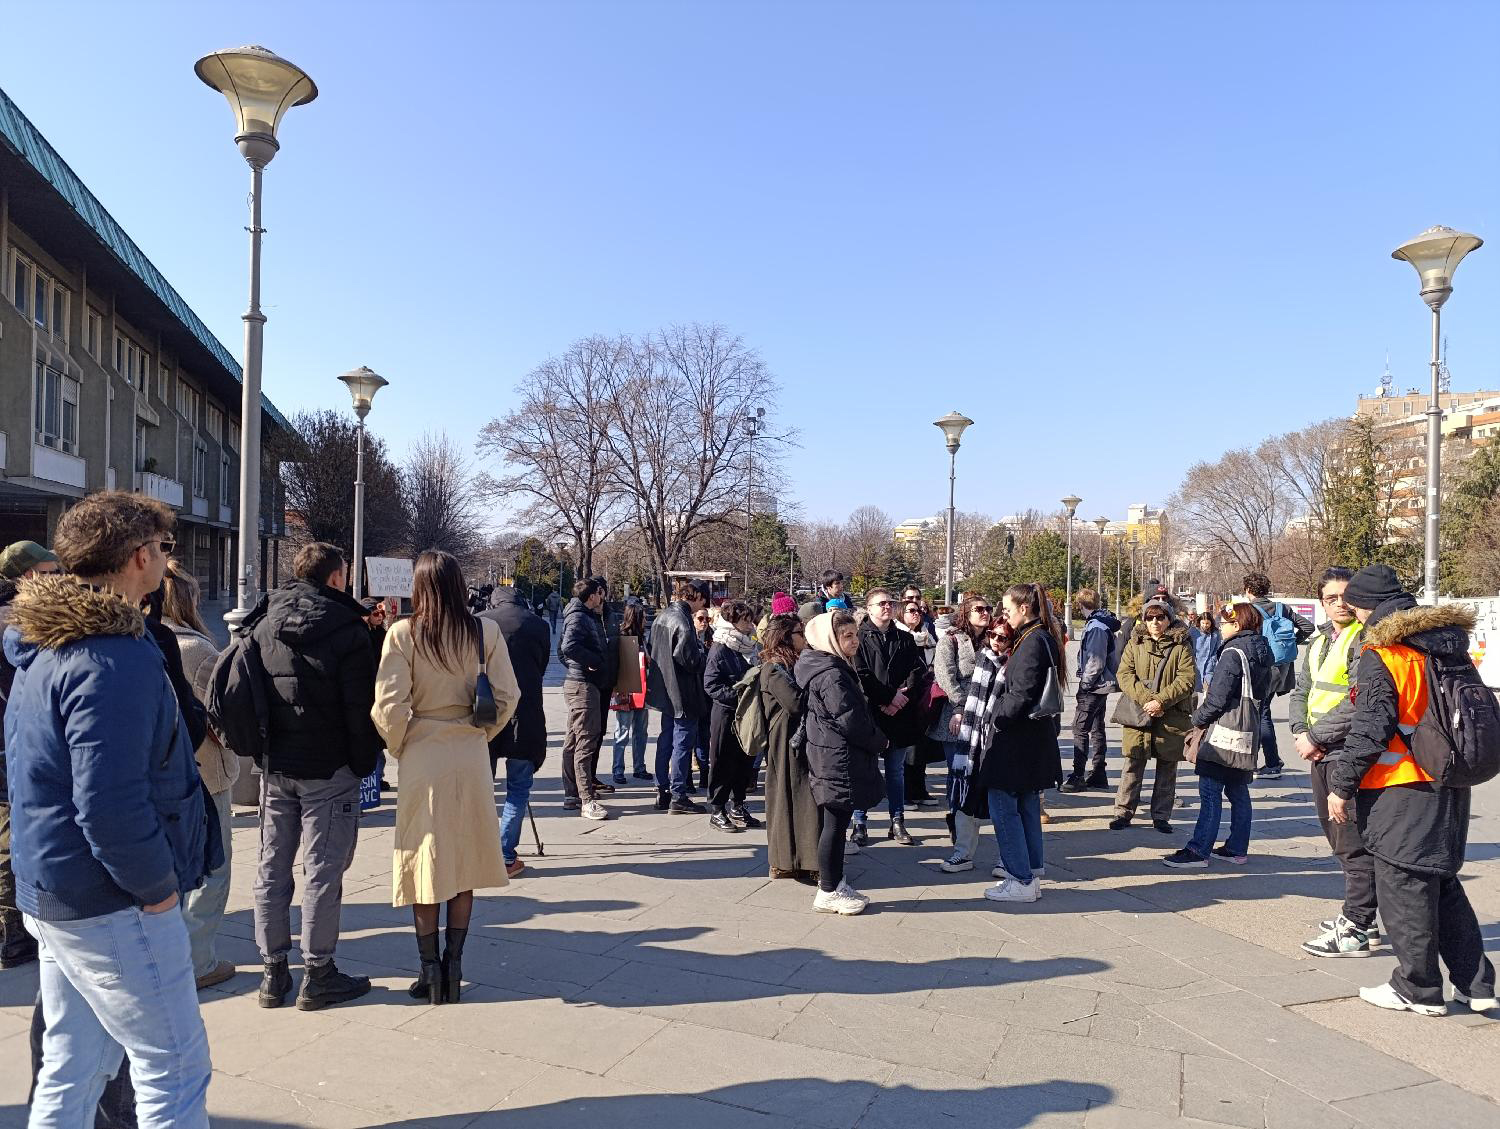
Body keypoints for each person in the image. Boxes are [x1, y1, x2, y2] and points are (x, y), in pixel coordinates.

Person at [6, 494, 215, 1126]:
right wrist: (155, 891)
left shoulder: (52, 644)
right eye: (165, 547)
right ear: (138, 556)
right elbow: (110, 802)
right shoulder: (109, 656)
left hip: (58, 890)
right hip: (108, 900)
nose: (166, 561)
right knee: (174, 1067)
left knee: (74, 1064)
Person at [1327, 564, 1497, 1016]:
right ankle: (1476, 985)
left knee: (1403, 885)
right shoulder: (1446, 646)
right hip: (1448, 780)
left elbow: (1370, 729)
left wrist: (1341, 786)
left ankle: (1417, 988)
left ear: (1365, 608)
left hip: (1401, 787)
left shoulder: (1387, 652)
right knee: (1441, 882)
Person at [373, 550, 518, 1004]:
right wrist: (482, 733)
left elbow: (389, 706)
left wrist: (399, 745)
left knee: (424, 863)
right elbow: (508, 695)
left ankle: (428, 971)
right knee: (464, 860)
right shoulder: (484, 631)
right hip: (470, 752)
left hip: (422, 754)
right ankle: (455, 967)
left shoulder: (403, 634)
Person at [247, 542, 383, 1011]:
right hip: (328, 768)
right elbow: (361, 708)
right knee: (323, 870)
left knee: (272, 865)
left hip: (277, 765)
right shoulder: (347, 628)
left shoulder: (264, 620)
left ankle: (272, 971)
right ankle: (319, 972)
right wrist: (366, 763)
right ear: (335, 578)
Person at [161, 560, 241, 991]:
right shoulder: (197, 650)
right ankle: (197, 961)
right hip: (205, 771)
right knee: (213, 869)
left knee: (171, 871)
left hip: (162, 773)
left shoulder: (144, 640)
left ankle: (169, 957)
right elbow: (219, 716)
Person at [1290, 568, 1378, 958]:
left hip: (1343, 750)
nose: (1339, 603)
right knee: (1335, 835)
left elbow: (1358, 699)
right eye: (1330, 598)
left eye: (1345, 596)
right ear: (1322, 603)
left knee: (1350, 839)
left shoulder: (1364, 639)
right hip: (1319, 749)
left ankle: (1357, 923)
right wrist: (1298, 730)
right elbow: (1302, 688)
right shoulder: (1321, 639)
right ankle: (1363, 916)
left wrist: (1315, 737)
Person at [1165, 602, 1272, 868]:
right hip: (1247, 729)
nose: (1220, 627)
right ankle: (1237, 848)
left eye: (1224, 623)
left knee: (1210, 791)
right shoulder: (1262, 650)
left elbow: (1217, 698)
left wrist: (1196, 721)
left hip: (1224, 730)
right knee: (1238, 789)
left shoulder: (1233, 652)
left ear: (1236, 625)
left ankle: (1198, 850)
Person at [979, 584, 1066, 902]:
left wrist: (995, 718)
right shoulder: (1040, 636)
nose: (1004, 615)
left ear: (1024, 608)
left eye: (1007, 609)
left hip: (1018, 739)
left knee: (1003, 805)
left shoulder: (1033, 641)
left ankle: (1021, 878)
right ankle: (1030, 871)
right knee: (1026, 803)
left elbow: (1021, 694)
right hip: (1031, 739)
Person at [796, 611, 886, 914]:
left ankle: (834, 882)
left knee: (836, 824)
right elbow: (850, 720)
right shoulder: (831, 674)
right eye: (847, 636)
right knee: (834, 827)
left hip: (832, 755)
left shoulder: (830, 666)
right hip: (836, 757)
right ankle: (828, 890)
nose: (855, 641)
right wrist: (879, 741)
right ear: (831, 639)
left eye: (854, 634)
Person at [0, 539, 60, 970]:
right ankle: (13, 936)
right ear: (29, 576)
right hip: (10, 741)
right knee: (9, 834)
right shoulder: (22, 622)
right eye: (52, 571)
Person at [481, 582, 551, 878]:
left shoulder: (480, 622)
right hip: (527, 712)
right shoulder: (538, 624)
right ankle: (505, 855)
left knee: (481, 789)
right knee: (519, 788)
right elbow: (543, 666)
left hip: (485, 711)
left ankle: (477, 853)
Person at [1109, 597, 1196, 835]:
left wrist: (1161, 701)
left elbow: (1187, 679)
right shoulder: (1134, 643)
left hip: (1171, 715)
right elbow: (1124, 675)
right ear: (1144, 620)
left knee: (1167, 767)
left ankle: (1161, 816)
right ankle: (1123, 812)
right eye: (1150, 618)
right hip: (1138, 713)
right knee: (1133, 763)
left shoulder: (1182, 646)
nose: (1155, 622)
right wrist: (1148, 699)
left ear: (1169, 619)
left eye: (1160, 617)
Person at [850, 587, 928, 846]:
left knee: (896, 772)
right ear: (869, 608)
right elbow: (861, 675)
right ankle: (859, 822)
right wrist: (886, 698)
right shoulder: (859, 637)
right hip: (871, 713)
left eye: (890, 603)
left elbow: (916, 670)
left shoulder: (904, 638)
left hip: (899, 714)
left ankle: (897, 821)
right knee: (864, 770)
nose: (887, 607)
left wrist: (899, 698)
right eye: (881, 603)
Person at [951, 616, 1017, 876]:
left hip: (999, 740)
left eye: (1002, 637)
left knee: (1003, 806)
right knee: (966, 797)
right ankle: (962, 853)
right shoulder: (983, 658)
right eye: (992, 634)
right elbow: (971, 695)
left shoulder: (1013, 664)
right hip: (973, 740)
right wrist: (960, 711)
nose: (996, 641)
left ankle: (1008, 858)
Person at [934, 593, 991, 871]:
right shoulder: (952, 639)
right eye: (979, 609)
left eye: (988, 608)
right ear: (965, 613)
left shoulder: (996, 637)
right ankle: (961, 843)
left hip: (988, 717)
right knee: (959, 778)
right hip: (957, 716)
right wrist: (960, 704)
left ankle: (972, 829)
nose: (985, 613)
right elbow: (944, 674)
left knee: (983, 779)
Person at [760, 615, 818, 882]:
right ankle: (784, 860)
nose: (803, 637)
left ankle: (806, 858)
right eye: (799, 632)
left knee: (804, 797)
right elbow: (794, 704)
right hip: (785, 739)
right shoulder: (773, 668)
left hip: (799, 736)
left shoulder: (795, 664)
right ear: (785, 637)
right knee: (785, 795)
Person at [1241, 571, 1315, 780]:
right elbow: (1308, 627)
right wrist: (1292, 643)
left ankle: (1271, 764)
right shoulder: (1283, 608)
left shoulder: (1248, 610)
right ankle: (1269, 762)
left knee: (1260, 714)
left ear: (1248, 590)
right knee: (1262, 712)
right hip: (1281, 668)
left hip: (1259, 669)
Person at [647, 578, 710, 812]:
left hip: (664, 688)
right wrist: (703, 655)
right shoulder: (682, 621)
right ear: (698, 597)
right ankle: (678, 794)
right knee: (682, 743)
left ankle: (662, 789)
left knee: (666, 740)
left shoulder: (662, 616)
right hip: (682, 691)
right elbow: (689, 660)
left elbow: (651, 646)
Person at [703, 600, 760, 832]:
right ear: (732, 622)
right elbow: (711, 684)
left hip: (746, 714)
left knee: (743, 759)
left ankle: (737, 804)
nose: (749, 625)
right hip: (726, 713)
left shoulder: (749, 646)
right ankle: (717, 808)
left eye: (750, 620)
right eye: (745, 620)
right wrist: (737, 697)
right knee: (722, 760)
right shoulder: (720, 647)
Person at [558, 578, 612, 820]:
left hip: (579, 682)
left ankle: (573, 795)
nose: (602, 598)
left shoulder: (577, 614)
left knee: (573, 740)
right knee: (585, 742)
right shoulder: (579, 616)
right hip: (583, 686)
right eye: (599, 594)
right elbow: (568, 647)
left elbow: (563, 649)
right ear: (592, 596)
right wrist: (590, 662)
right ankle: (585, 800)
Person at [1062, 588, 1119, 793]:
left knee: (1080, 728)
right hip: (1101, 685)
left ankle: (1078, 775)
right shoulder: (1102, 623)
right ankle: (1098, 772)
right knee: (1096, 728)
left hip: (1094, 686)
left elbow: (1095, 660)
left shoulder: (1095, 627)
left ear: (1080, 605)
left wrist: (1086, 684)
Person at [610, 600, 651, 783]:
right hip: (626, 691)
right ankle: (618, 769)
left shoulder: (643, 639)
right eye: (643, 618)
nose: (645, 621)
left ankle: (639, 767)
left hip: (642, 689)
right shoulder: (622, 638)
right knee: (623, 732)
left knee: (641, 732)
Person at [1187, 610, 1222, 692]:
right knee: (1195, 687)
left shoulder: (1215, 633)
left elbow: (1218, 647)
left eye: (1207, 623)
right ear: (1200, 622)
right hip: (1196, 661)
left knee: (1210, 687)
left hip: (1210, 662)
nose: (1205, 625)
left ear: (1211, 623)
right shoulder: (1193, 631)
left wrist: (1214, 659)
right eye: (1203, 623)